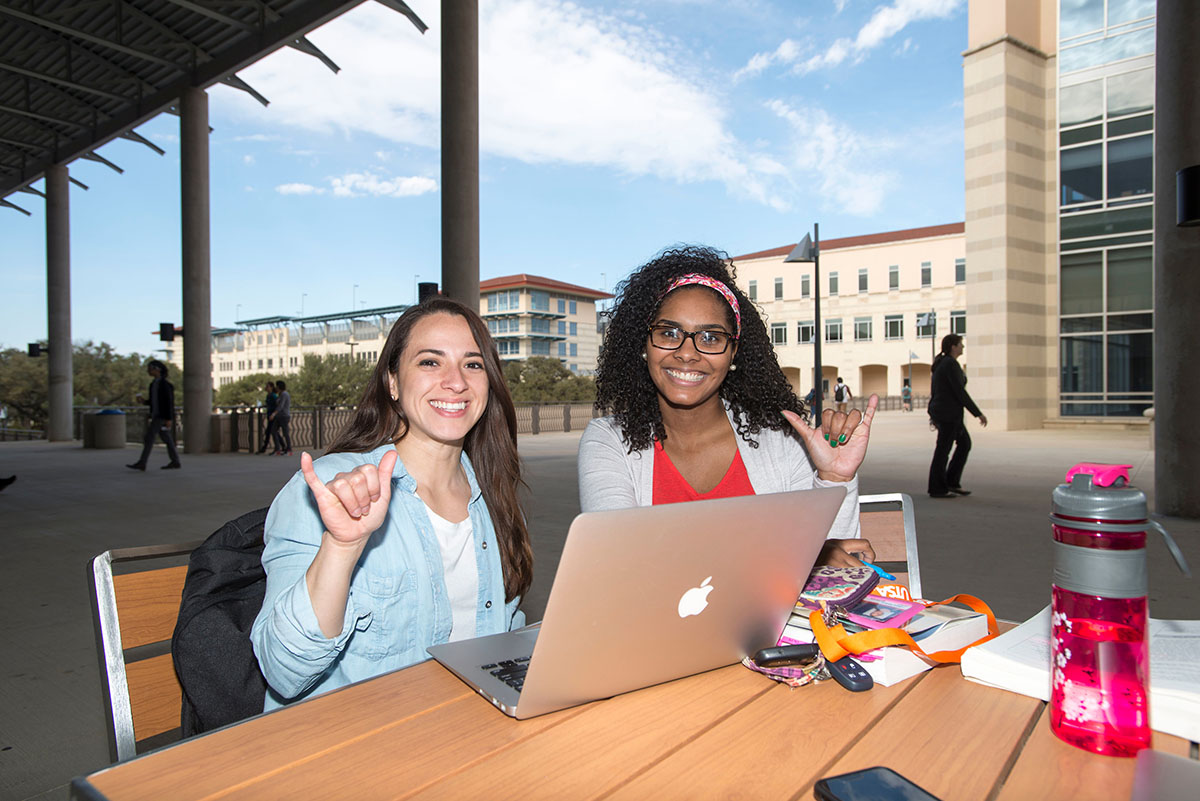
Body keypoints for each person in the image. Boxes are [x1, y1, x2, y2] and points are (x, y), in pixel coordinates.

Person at [250, 298, 533, 709]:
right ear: (393, 382)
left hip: (465, 724)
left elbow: (502, 632)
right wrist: (342, 546)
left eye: (473, 364)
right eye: (430, 362)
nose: (456, 382)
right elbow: (284, 671)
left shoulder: (493, 495)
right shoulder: (330, 489)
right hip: (353, 744)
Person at [578, 245, 877, 567]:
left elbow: (836, 566)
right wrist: (795, 551)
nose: (688, 353)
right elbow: (618, 555)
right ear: (643, 344)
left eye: (710, 337)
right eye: (668, 333)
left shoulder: (784, 442)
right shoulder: (608, 440)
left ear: (734, 352)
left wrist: (834, 478)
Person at [927, 334, 987, 498]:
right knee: (943, 450)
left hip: (948, 413)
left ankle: (951, 482)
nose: (963, 347)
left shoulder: (946, 363)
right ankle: (938, 488)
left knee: (964, 444)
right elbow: (959, 392)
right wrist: (977, 413)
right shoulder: (949, 364)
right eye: (960, 344)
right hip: (948, 414)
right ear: (953, 346)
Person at [127, 360, 181, 471]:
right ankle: (175, 461)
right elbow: (153, 401)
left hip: (160, 416)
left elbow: (169, 403)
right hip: (156, 415)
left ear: (157, 370)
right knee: (167, 438)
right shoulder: (153, 385)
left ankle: (142, 462)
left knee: (149, 437)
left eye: (150, 368)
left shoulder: (165, 385)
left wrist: (169, 418)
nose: (148, 371)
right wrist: (143, 401)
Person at [270, 380, 292, 455]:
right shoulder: (280, 394)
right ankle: (278, 448)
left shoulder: (284, 394)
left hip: (284, 416)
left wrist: (273, 414)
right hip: (279, 416)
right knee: (273, 430)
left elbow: (281, 406)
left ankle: (288, 449)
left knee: (285, 432)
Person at [258, 381, 278, 454]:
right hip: (269, 415)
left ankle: (266, 448)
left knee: (271, 431)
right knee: (271, 431)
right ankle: (282, 446)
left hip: (273, 416)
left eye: (267, 386)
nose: (266, 388)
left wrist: (273, 414)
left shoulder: (273, 395)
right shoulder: (269, 395)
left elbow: (277, 405)